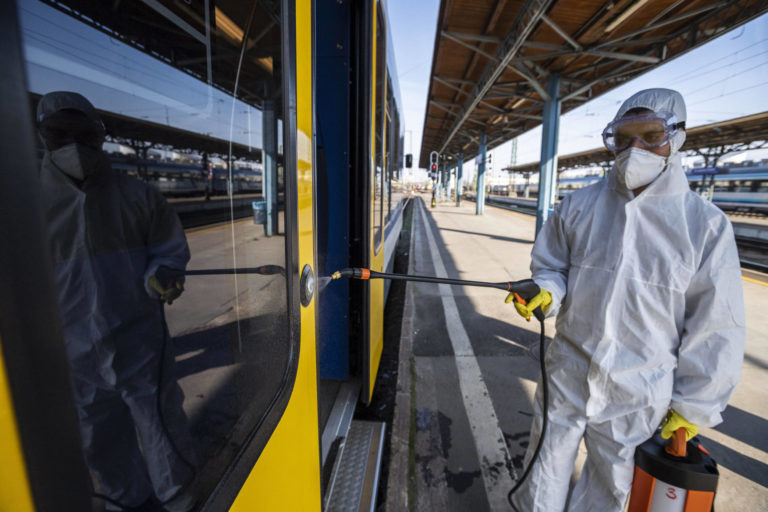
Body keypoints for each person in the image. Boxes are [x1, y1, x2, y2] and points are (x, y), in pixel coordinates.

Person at [507, 88, 745, 511]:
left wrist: (694, 406)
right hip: (568, 372)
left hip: (640, 390)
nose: (635, 148)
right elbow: (553, 269)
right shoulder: (579, 206)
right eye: (623, 137)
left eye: (650, 135)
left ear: (677, 138)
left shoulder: (704, 226)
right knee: (542, 471)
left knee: (613, 492)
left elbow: (716, 326)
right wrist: (546, 292)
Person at [37, 91, 196, 511]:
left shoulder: (139, 196)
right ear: (41, 135)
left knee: (160, 422)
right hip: (68, 348)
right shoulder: (22, 202)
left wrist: (162, 273)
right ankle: (127, 500)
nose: (74, 145)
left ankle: (178, 497)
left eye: (84, 134)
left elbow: (169, 249)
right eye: (59, 134)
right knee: (97, 434)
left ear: (100, 137)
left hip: (138, 337)